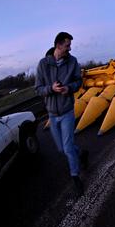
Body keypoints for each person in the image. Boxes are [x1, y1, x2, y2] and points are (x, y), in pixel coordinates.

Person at [35, 32, 88, 197]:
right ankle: (81, 154)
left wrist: (69, 88)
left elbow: (78, 81)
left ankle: (75, 176)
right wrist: (52, 89)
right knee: (62, 149)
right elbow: (38, 89)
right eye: (67, 45)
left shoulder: (72, 61)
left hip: (66, 111)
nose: (69, 48)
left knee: (67, 147)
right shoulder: (43, 64)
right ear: (58, 46)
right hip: (52, 114)